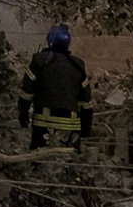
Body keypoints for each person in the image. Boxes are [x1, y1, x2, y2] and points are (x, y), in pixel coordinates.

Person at [18, 23, 94, 153]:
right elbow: (86, 103)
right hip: (71, 125)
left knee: (40, 162)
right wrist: (86, 128)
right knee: (69, 162)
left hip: (44, 123)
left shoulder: (39, 61)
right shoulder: (77, 66)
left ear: (49, 41)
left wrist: (23, 115)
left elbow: (27, 93)